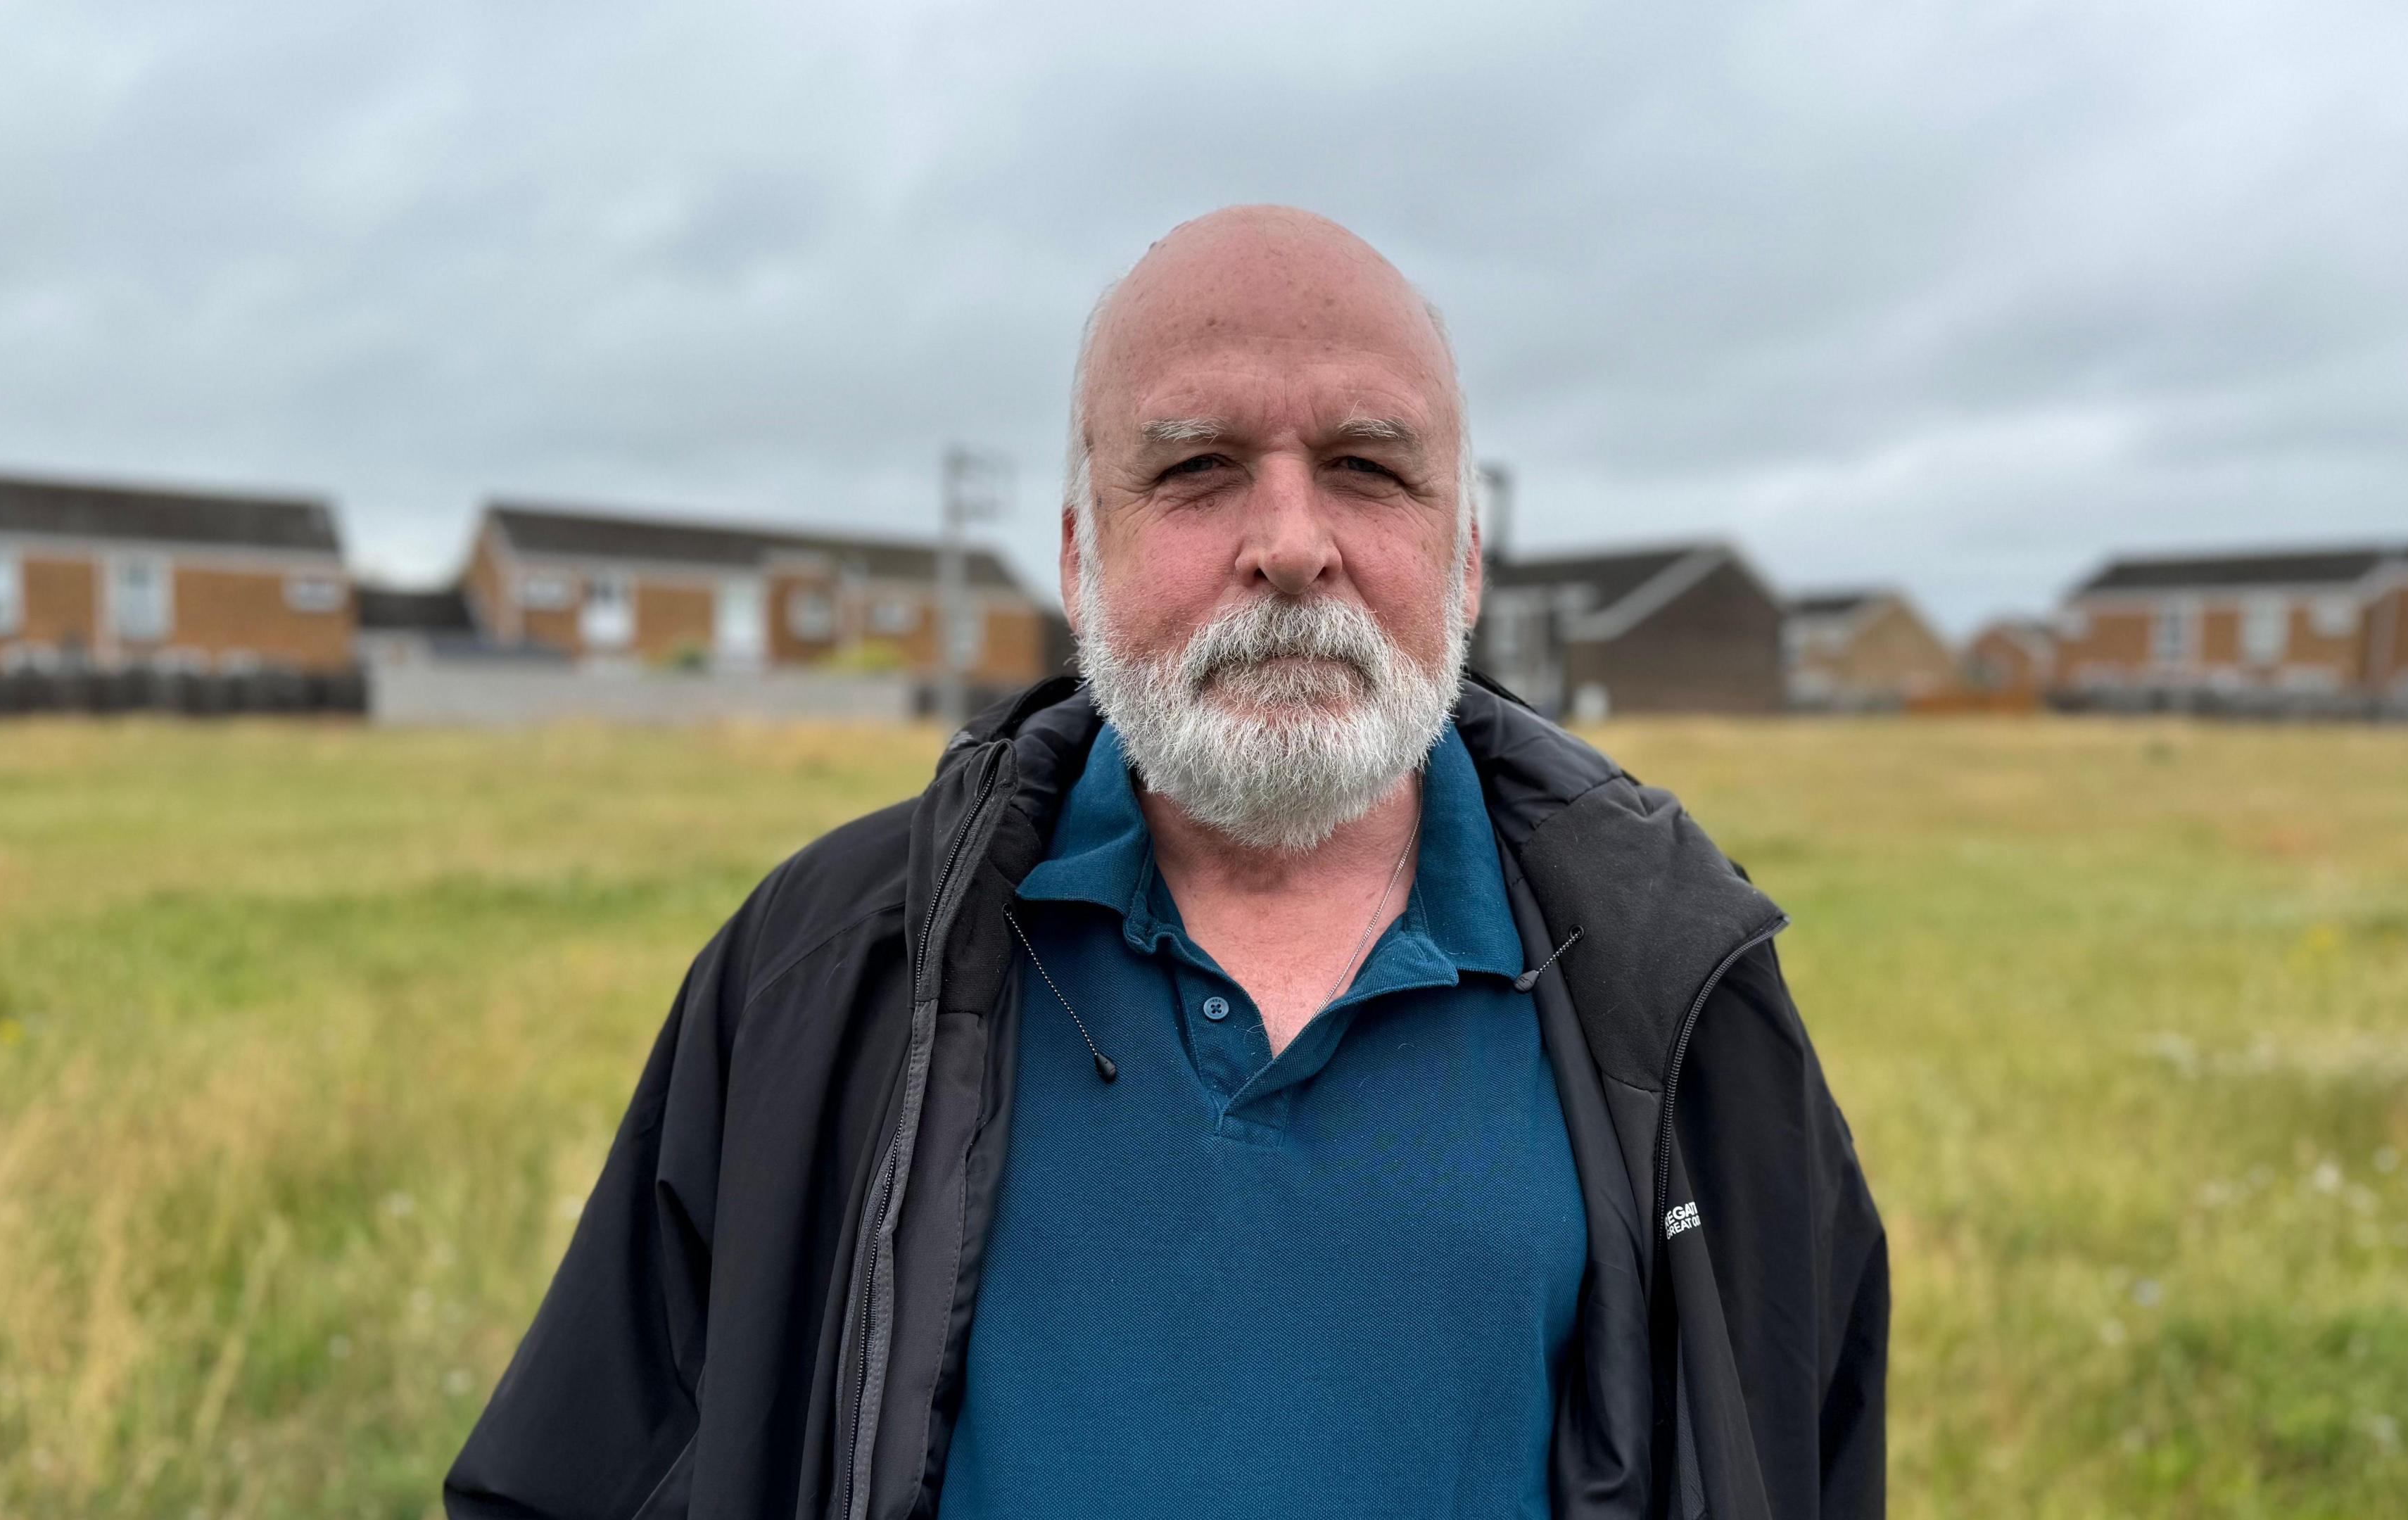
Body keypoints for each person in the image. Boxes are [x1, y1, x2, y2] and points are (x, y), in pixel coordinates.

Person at [446, 205, 1887, 1520]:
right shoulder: (824, 972)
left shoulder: (1679, 998)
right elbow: (574, 1482)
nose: (1291, 544)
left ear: (1465, 564)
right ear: (1081, 558)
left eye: (1366, 468)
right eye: (1197, 470)